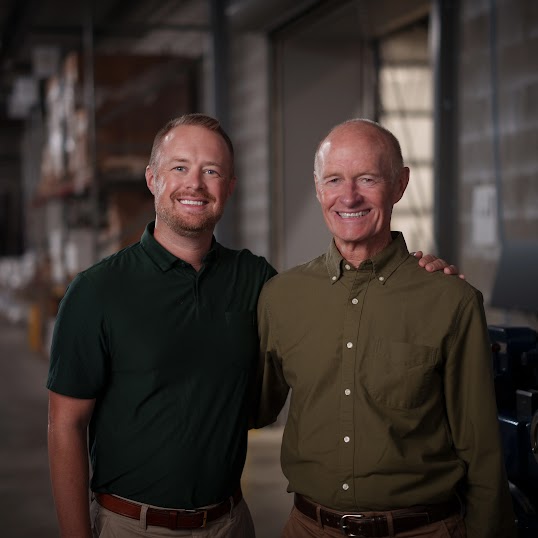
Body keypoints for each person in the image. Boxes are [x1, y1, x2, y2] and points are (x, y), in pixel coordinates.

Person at [47, 113, 458, 538]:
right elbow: (65, 427)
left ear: (229, 187)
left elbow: (336, 295)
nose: (195, 184)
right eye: (179, 168)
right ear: (153, 179)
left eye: (211, 171)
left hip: (231, 522)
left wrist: (421, 274)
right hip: (131, 525)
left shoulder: (256, 281)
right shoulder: (97, 291)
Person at [255, 119, 516, 537]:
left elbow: (481, 449)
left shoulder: (451, 300)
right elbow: (254, 406)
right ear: (318, 187)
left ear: (399, 184)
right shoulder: (280, 297)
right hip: (308, 529)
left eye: (368, 178)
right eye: (335, 179)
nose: (349, 195)